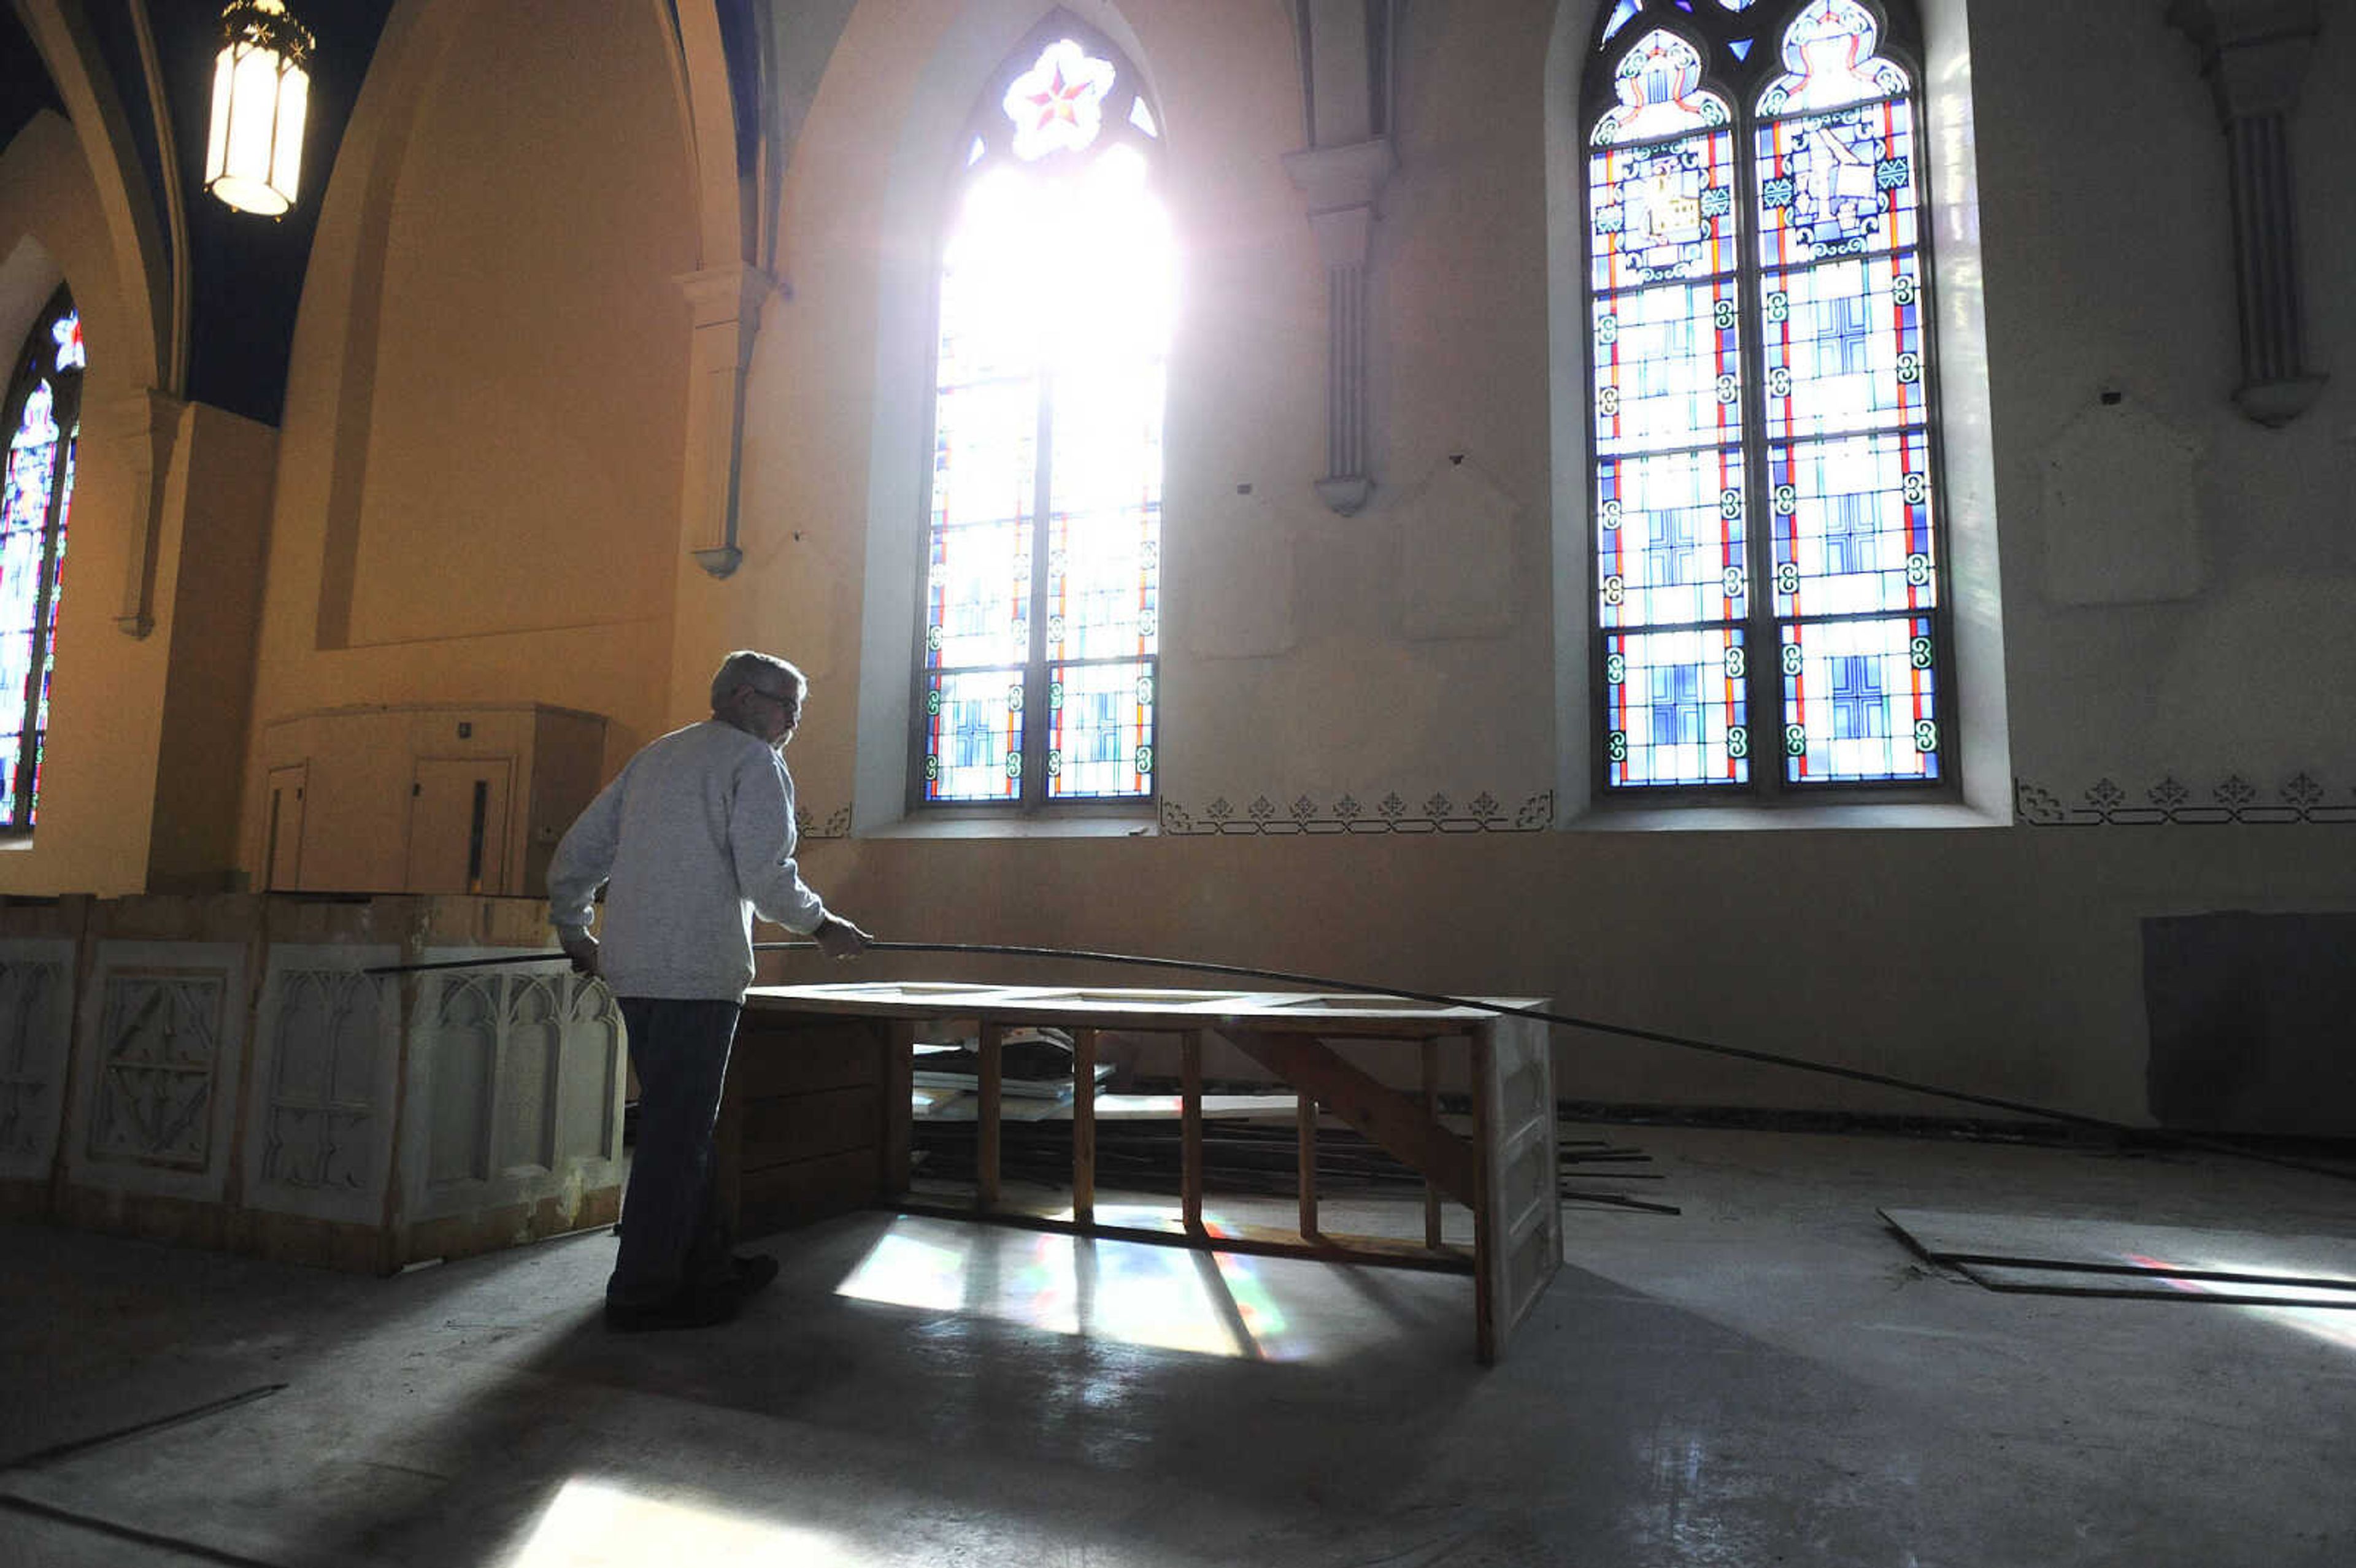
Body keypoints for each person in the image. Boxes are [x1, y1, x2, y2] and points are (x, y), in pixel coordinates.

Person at [547, 650, 872, 1331]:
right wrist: (824, 924)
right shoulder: (754, 762)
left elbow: (578, 853)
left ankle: (708, 1267)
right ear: (746, 697)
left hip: (632, 967)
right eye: (789, 706)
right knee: (678, 1133)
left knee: (683, 1126)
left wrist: (576, 931)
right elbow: (766, 874)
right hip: (697, 973)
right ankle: (643, 1292)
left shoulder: (657, 758)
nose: (794, 722)